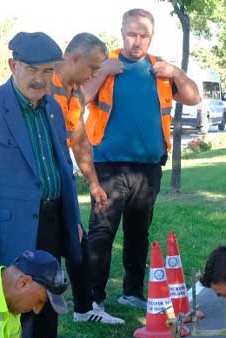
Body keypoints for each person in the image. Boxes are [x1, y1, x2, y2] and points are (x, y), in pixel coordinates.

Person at [73, 8, 201, 318]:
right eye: (132, 34)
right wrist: (103, 72)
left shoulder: (159, 69)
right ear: (122, 33)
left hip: (148, 168)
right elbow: (79, 98)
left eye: (143, 35)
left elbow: (194, 98)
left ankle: (131, 292)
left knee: (138, 234)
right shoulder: (104, 65)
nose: (137, 41)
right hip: (108, 165)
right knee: (102, 231)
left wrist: (178, 74)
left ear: (151, 36)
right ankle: (93, 301)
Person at [0, 32, 84, 338]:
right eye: (32, 69)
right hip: (10, 231)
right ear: (13, 65)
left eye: (48, 71)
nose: (41, 80)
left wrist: (73, 220)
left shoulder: (53, 109)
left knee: (47, 297)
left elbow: (62, 170)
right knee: (17, 305)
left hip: (52, 221)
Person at [48, 32, 127, 326]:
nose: (95, 75)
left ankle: (84, 309)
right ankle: (39, 317)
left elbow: (80, 142)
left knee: (78, 244)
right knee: (51, 253)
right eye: (93, 68)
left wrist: (94, 183)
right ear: (74, 58)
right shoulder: (45, 89)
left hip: (62, 182)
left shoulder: (76, 93)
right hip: (42, 189)